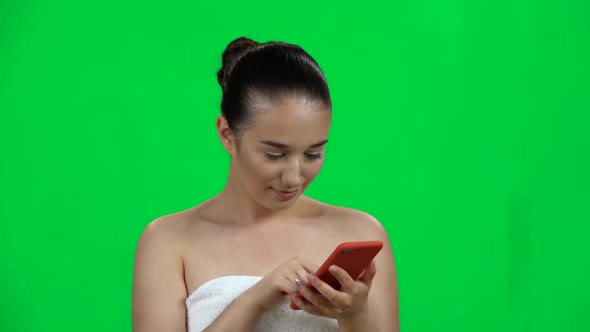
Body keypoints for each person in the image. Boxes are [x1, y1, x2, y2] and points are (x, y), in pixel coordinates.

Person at [132, 37, 399, 332]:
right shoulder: (168, 241)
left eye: (313, 154)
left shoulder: (362, 232)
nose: (294, 177)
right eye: (275, 154)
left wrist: (354, 315)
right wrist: (253, 301)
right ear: (226, 134)